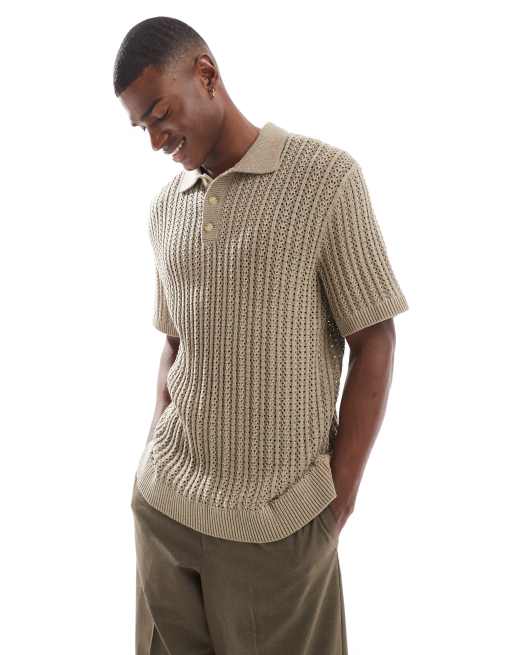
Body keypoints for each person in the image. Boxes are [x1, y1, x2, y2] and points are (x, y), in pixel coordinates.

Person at [113, 16, 409, 655]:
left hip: (278, 530)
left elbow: (375, 339)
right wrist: (153, 456)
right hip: (164, 512)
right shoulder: (165, 210)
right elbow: (174, 344)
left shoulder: (324, 180)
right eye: (142, 128)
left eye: (161, 114)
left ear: (207, 75)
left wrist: (336, 504)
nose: (156, 140)